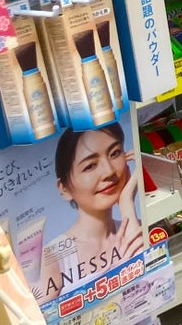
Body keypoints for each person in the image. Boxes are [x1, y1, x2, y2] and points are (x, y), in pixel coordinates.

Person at [39, 124, 146, 303]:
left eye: (115, 153)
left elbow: (153, 294)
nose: (108, 171)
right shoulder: (52, 258)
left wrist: (127, 203)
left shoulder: (138, 226)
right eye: (90, 166)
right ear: (64, 188)